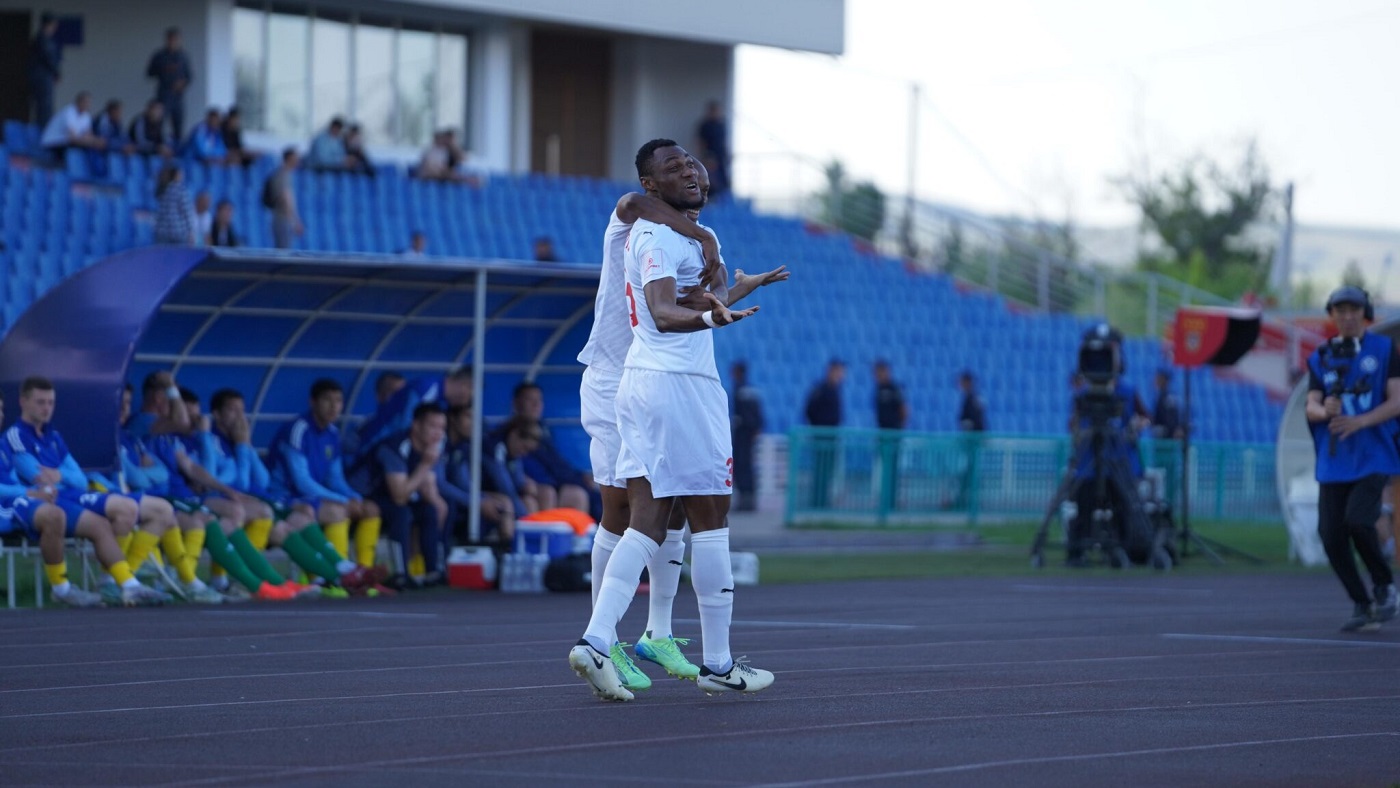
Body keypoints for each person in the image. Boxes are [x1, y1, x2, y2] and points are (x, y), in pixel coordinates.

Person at [569, 138, 770, 702]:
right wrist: (711, 306)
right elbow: (662, 309)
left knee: (658, 515)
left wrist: (728, 289)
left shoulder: (686, 234)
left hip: (643, 376)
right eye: (674, 166)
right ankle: (703, 660)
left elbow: (696, 297)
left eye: (691, 162)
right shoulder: (648, 226)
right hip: (638, 377)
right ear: (652, 183)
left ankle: (629, 636)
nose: (688, 170)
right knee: (661, 513)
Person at [4, 377, 171, 606]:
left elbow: (80, 480)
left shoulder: (53, 436)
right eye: (40, 402)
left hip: (72, 494)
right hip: (52, 499)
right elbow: (39, 477)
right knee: (119, 513)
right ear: (23, 402)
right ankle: (121, 582)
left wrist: (60, 474)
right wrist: (62, 477)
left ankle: (123, 580)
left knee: (161, 510)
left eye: (51, 402)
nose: (47, 408)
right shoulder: (15, 436)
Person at [1304, 286, 1400, 631]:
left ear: (1365, 313)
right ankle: (1362, 603)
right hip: (1335, 459)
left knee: (1359, 520)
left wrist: (1361, 421)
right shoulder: (1322, 355)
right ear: (1332, 315)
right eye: (1340, 310)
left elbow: (1397, 400)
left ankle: (1385, 585)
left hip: (1374, 453)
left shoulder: (1385, 350)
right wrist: (1324, 410)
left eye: (1354, 310)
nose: (1347, 317)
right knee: (1330, 535)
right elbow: (1311, 403)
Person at [267, 379, 384, 574]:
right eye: (327, 400)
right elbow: (302, 482)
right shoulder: (298, 430)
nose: (333, 406)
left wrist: (353, 497)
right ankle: (339, 573)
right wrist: (342, 501)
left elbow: (335, 479)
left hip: (311, 497)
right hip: (284, 496)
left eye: (338, 401)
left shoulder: (332, 433)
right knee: (337, 511)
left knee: (370, 509)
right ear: (313, 402)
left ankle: (364, 570)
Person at [360, 403, 450, 589]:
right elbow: (399, 496)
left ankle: (433, 571)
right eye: (433, 426)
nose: (438, 433)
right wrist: (426, 465)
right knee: (401, 513)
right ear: (416, 425)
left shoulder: (432, 448)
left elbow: (429, 488)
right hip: (370, 496)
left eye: (442, 428)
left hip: (402, 496)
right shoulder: (394, 447)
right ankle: (401, 573)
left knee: (430, 510)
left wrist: (437, 501)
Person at [510, 381, 595, 516]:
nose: (536, 405)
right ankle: (545, 530)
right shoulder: (510, 433)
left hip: (553, 482)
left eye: (539, 400)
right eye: (530, 400)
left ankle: (580, 530)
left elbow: (555, 463)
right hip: (530, 485)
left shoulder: (544, 431)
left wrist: (579, 477)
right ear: (516, 404)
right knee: (547, 493)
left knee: (577, 495)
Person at [352, 368, 473, 463]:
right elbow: (405, 425)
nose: (469, 400)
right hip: (376, 446)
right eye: (471, 394)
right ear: (465, 386)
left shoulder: (440, 398)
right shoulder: (427, 389)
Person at [439, 402, 515, 545]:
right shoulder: (439, 441)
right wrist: (477, 502)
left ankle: (507, 548)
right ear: (453, 418)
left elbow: (463, 483)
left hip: (460, 496)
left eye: (476, 418)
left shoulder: (463, 446)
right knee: (452, 506)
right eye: (468, 417)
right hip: (442, 497)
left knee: (503, 503)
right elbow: (440, 484)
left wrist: (482, 500)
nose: (473, 423)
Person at [803, 359, 845, 509]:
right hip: (822, 435)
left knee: (827, 470)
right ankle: (818, 500)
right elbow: (809, 410)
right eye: (839, 371)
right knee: (821, 469)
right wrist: (818, 427)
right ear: (831, 371)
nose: (841, 375)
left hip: (832, 435)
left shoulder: (835, 389)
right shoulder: (821, 389)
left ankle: (823, 500)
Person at [874, 359, 908, 515]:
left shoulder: (894, 388)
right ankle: (884, 500)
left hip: (893, 435)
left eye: (880, 372)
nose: (877, 375)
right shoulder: (878, 389)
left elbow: (904, 410)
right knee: (883, 468)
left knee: (892, 468)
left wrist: (898, 429)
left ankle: (892, 501)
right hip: (882, 435)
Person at [146, 27, 193, 140]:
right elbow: (149, 73)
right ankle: (158, 146)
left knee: (178, 126)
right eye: (171, 39)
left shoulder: (183, 57)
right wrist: (164, 70)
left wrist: (183, 84)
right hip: (163, 95)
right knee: (159, 123)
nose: (173, 42)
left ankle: (176, 147)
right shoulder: (159, 56)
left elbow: (189, 76)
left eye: (176, 39)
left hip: (178, 97)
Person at [730, 361, 764, 512]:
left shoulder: (739, 389)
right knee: (748, 465)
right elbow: (758, 413)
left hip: (742, 433)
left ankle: (745, 501)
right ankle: (750, 500)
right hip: (750, 433)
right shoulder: (752, 390)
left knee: (741, 465)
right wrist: (757, 428)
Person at [954, 370, 986, 509]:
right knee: (968, 471)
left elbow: (974, 421)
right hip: (972, 440)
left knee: (970, 471)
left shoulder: (971, 399)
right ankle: (966, 500)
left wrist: (970, 432)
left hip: (972, 441)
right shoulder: (972, 398)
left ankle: (968, 502)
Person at [39, 90, 103, 157]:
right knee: (81, 149)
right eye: (85, 102)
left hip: (68, 143)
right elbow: (72, 138)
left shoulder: (86, 115)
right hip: (54, 143)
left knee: (96, 149)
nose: (87, 105)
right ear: (78, 101)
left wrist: (97, 141)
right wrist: (93, 142)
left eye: (89, 103)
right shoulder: (68, 112)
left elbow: (88, 135)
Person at [264, 147, 303, 249]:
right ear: (289, 158)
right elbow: (286, 198)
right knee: (283, 251)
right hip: (283, 219)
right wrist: (294, 221)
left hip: (282, 219)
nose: (298, 161)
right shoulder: (282, 175)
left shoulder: (285, 174)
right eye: (296, 158)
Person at [27, 13, 62, 128]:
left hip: (41, 77)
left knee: (44, 107)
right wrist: (56, 72)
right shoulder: (43, 39)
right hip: (42, 78)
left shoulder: (41, 38)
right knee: (44, 108)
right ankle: (43, 131)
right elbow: (48, 57)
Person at [695, 100, 730, 199]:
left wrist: (727, 155)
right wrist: (704, 157)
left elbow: (724, 142)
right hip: (710, 157)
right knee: (711, 181)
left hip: (720, 157)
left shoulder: (722, 125)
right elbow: (700, 142)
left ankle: (722, 201)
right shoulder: (705, 126)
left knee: (723, 181)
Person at [154, 165, 197, 245]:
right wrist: (191, 231)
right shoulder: (181, 190)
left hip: (162, 231)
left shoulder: (162, 190)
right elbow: (187, 212)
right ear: (176, 175)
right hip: (178, 231)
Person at [1150, 368, 1184, 440]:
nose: (1155, 380)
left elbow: (1171, 418)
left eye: (1158, 378)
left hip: (1167, 437)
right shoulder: (1161, 395)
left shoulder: (1166, 397)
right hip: (1162, 436)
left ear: (1164, 380)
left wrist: (1173, 430)